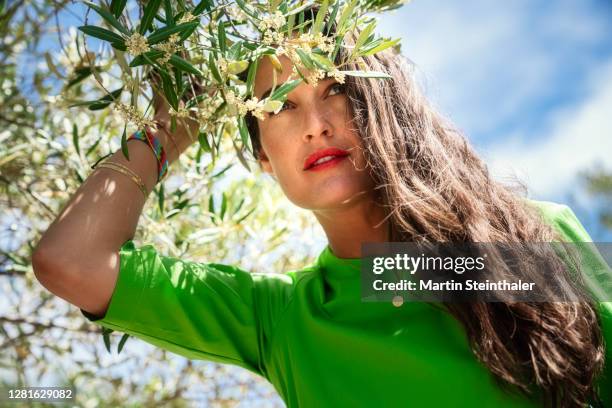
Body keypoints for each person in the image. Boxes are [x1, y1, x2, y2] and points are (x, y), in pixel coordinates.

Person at [32, 15, 611, 408]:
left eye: (335, 89)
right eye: (280, 106)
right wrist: (164, 133)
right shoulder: (281, 320)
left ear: (385, 108)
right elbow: (72, 262)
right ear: (262, 156)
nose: (315, 124)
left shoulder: (524, 237)